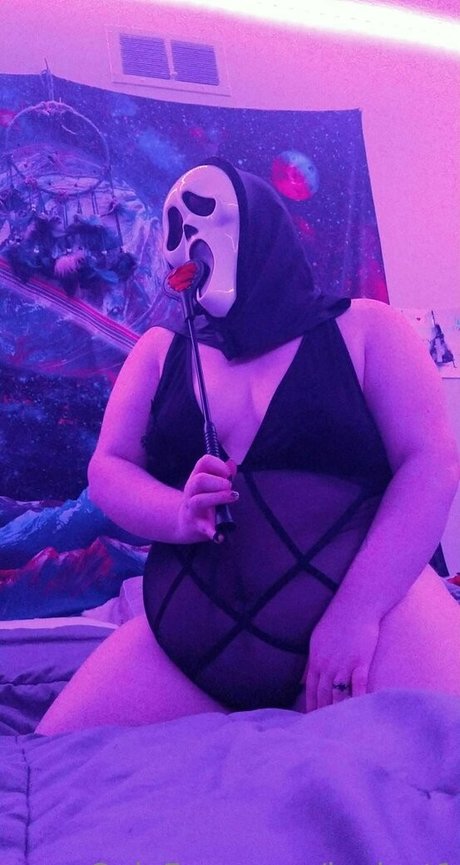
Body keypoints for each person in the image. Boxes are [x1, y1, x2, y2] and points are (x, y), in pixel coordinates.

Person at [36, 158, 460, 736]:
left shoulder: (368, 329)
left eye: (199, 217)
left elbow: (430, 464)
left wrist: (355, 616)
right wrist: (177, 512)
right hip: (194, 642)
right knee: (52, 756)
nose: (183, 243)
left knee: (441, 760)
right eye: (172, 229)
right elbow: (109, 469)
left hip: (378, 620)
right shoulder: (159, 352)